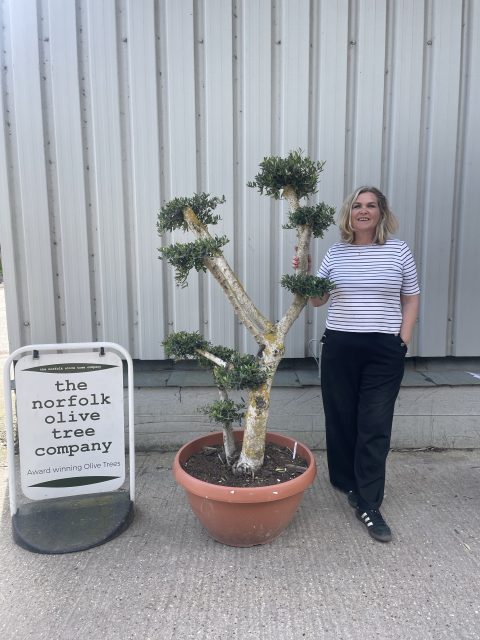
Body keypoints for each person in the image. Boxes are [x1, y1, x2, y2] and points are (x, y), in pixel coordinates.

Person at [293, 186, 420, 543]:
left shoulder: (398, 250)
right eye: (357, 206)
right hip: (339, 347)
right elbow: (318, 300)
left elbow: (411, 297)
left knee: (374, 424)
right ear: (349, 213)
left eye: (371, 206)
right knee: (341, 417)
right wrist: (304, 268)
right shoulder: (336, 253)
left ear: (381, 213)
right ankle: (346, 480)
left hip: (383, 350)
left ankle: (368, 502)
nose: (363, 211)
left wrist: (402, 341)